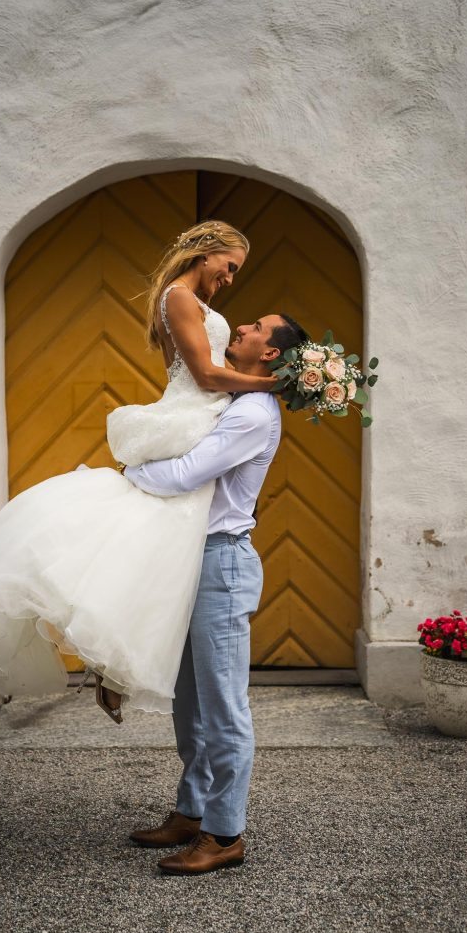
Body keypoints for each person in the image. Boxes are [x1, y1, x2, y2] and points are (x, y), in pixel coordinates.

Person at [0, 221, 277, 716]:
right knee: (162, 530)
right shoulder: (181, 297)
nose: (229, 281)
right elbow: (204, 374)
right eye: (228, 268)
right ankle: (112, 661)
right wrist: (272, 384)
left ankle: (114, 666)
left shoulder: (188, 299)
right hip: (193, 414)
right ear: (206, 253)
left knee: (159, 543)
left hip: (206, 412)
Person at [126, 311, 306, 874]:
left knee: (223, 706)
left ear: (269, 354)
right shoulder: (233, 397)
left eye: (255, 327)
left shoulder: (253, 412)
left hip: (220, 563)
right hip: (189, 559)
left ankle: (225, 834)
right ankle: (192, 811)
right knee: (190, 701)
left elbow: (188, 473)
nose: (244, 327)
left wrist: (126, 476)